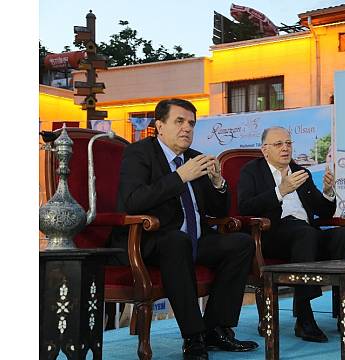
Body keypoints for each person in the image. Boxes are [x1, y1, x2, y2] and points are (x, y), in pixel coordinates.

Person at [109, 98, 258, 360]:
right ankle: (193, 338)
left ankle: (216, 328)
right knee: (176, 241)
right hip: (151, 240)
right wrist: (180, 177)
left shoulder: (195, 158)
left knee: (241, 243)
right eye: (179, 121)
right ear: (159, 126)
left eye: (191, 123)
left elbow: (219, 212)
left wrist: (218, 183)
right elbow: (132, 201)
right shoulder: (139, 153)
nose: (187, 128)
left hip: (195, 239)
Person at [237, 126, 345, 343]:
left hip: (306, 233)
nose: (285, 148)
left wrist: (328, 192)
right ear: (265, 150)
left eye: (288, 143)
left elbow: (324, 212)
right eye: (278, 144)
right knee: (304, 234)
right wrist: (280, 190)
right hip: (272, 234)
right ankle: (305, 318)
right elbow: (245, 207)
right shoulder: (252, 171)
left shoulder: (301, 172)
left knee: (343, 235)